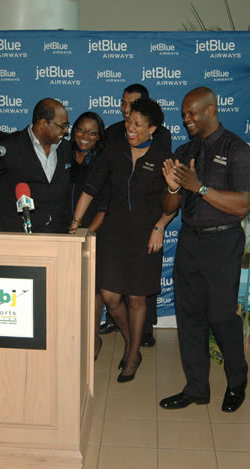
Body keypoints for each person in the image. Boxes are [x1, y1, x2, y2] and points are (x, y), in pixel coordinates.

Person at [159, 87, 250, 412]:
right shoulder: (185, 149)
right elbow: (171, 204)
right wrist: (174, 186)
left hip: (223, 241)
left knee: (221, 316)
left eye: (191, 113)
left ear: (211, 110)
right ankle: (196, 387)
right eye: (184, 114)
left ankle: (237, 381)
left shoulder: (238, 150)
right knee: (189, 317)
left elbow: (242, 206)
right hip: (189, 240)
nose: (185, 119)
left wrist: (198, 187)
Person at [70, 98, 172, 383]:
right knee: (112, 296)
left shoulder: (163, 156)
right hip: (113, 233)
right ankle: (132, 343)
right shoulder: (113, 152)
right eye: (129, 122)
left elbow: (173, 201)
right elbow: (90, 189)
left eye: (138, 124)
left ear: (152, 128)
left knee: (137, 298)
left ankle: (132, 355)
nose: (130, 128)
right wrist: (76, 224)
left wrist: (160, 226)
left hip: (146, 234)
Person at [103, 83, 173, 346]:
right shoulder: (112, 134)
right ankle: (123, 329)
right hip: (117, 221)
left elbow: (166, 187)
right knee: (113, 288)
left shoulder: (162, 138)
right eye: (123, 103)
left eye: (132, 104)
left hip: (147, 223)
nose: (126, 109)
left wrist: (160, 224)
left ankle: (143, 330)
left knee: (140, 291)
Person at [0, 98, 73, 233]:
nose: (66, 130)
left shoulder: (66, 149)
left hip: (57, 233)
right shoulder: (9, 146)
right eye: (62, 126)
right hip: (17, 233)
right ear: (43, 123)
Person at [69, 112, 107, 360]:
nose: (85, 136)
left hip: (93, 234)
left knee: (93, 294)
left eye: (92, 133)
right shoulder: (61, 155)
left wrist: (86, 234)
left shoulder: (102, 162)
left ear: (99, 137)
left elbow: (105, 207)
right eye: (81, 130)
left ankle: (93, 341)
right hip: (62, 234)